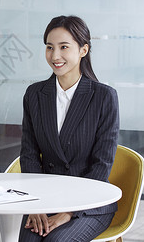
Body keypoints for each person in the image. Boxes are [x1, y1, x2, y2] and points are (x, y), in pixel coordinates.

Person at [19, 15, 119, 241]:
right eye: (49, 47)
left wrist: (69, 212)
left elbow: (102, 164)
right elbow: (29, 155)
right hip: (46, 199)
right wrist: (36, 205)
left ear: (83, 50)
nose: (55, 56)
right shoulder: (34, 94)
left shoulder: (104, 97)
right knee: (29, 239)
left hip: (91, 202)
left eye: (64, 47)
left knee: (56, 240)